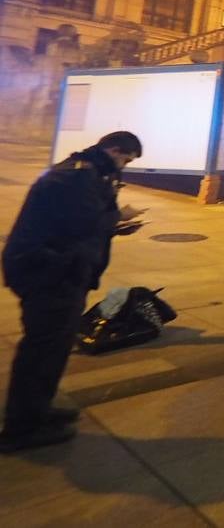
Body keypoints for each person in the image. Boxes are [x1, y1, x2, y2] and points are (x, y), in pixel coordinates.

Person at [1, 131, 144, 453]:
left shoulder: (86, 172)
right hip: (48, 273)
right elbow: (84, 222)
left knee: (53, 349)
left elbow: (82, 223)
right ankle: (21, 428)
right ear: (113, 149)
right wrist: (119, 217)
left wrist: (114, 224)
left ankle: (38, 410)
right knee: (42, 350)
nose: (123, 166)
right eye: (124, 159)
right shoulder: (76, 177)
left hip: (60, 269)